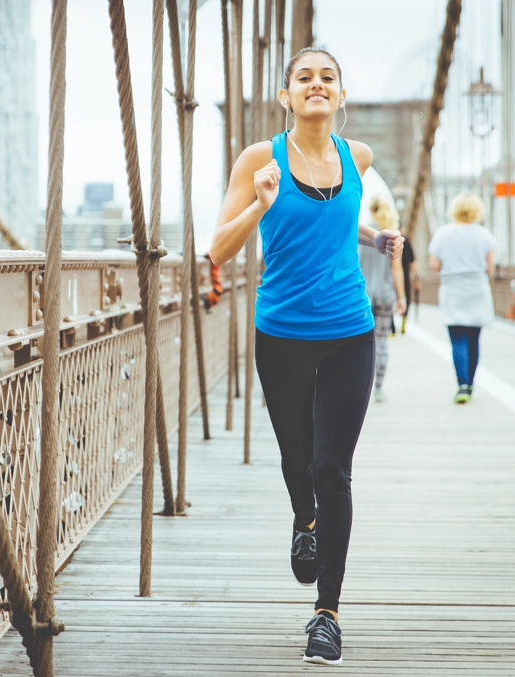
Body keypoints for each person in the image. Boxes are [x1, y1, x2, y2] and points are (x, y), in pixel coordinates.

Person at [208, 47, 403, 666]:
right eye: (304, 78)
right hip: (283, 334)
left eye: (328, 78)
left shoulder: (357, 157)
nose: (316, 85)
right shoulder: (259, 160)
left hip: (349, 330)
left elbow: (335, 222)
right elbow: (218, 248)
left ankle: (327, 614)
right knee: (297, 462)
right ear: (286, 97)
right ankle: (304, 521)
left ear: (340, 97)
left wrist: (377, 236)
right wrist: (262, 204)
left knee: (331, 466)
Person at [428, 191, 496, 403]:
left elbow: (434, 265)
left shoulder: (442, 233)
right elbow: (490, 268)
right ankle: (471, 384)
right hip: (477, 288)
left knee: (457, 338)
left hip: (452, 288)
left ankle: (462, 385)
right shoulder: (485, 235)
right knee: (473, 339)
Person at [358, 197, 406, 402]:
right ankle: (378, 387)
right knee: (382, 340)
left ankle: (363, 386)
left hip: (363, 294)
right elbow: (396, 268)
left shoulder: (363, 232)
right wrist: (402, 297)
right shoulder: (392, 235)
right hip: (385, 295)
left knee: (363, 342)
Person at [399, 225, 420, 333]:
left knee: (393, 297)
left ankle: (392, 326)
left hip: (390, 276)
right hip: (404, 274)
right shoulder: (405, 241)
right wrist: (416, 277)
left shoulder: (387, 239)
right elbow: (412, 261)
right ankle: (404, 319)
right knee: (406, 296)